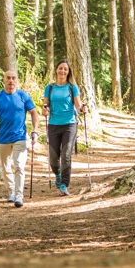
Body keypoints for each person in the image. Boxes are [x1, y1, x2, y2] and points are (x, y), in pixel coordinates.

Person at [0, 70, 39, 208]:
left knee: (19, 165)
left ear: (17, 80)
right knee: (6, 167)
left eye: (14, 78)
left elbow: (33, 112)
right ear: (4, 80)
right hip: (3, 137)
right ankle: (11, 191)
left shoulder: (23, 96)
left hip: (20, 136)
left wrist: (35, 130)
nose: (11, 81)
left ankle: (19, 196)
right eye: (8, 78)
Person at [41, 59, 86, 196]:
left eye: (65, 69)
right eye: (60, 68)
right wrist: (45, 109)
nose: (62, 71)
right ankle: (58, 174)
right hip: (54, 124)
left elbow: (78, 105)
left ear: (68, 72)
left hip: (69, 124)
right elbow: (46, 104)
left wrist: (83, 108)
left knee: (66, 155)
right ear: (56, 70)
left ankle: (64, 185)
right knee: (53, 158)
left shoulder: (72, 87)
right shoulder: (50, 88)